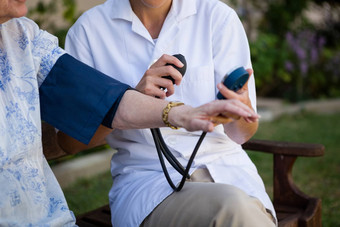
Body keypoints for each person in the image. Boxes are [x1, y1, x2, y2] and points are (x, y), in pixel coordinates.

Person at [0, 0, 260, 226]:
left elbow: (242, 134)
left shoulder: (217, 17)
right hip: (149, 183)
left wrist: (236, 109)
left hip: (228, 171)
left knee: (239, 207)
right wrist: (137, 96)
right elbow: (70, 140)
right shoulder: (89, 30)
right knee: (234, 209)